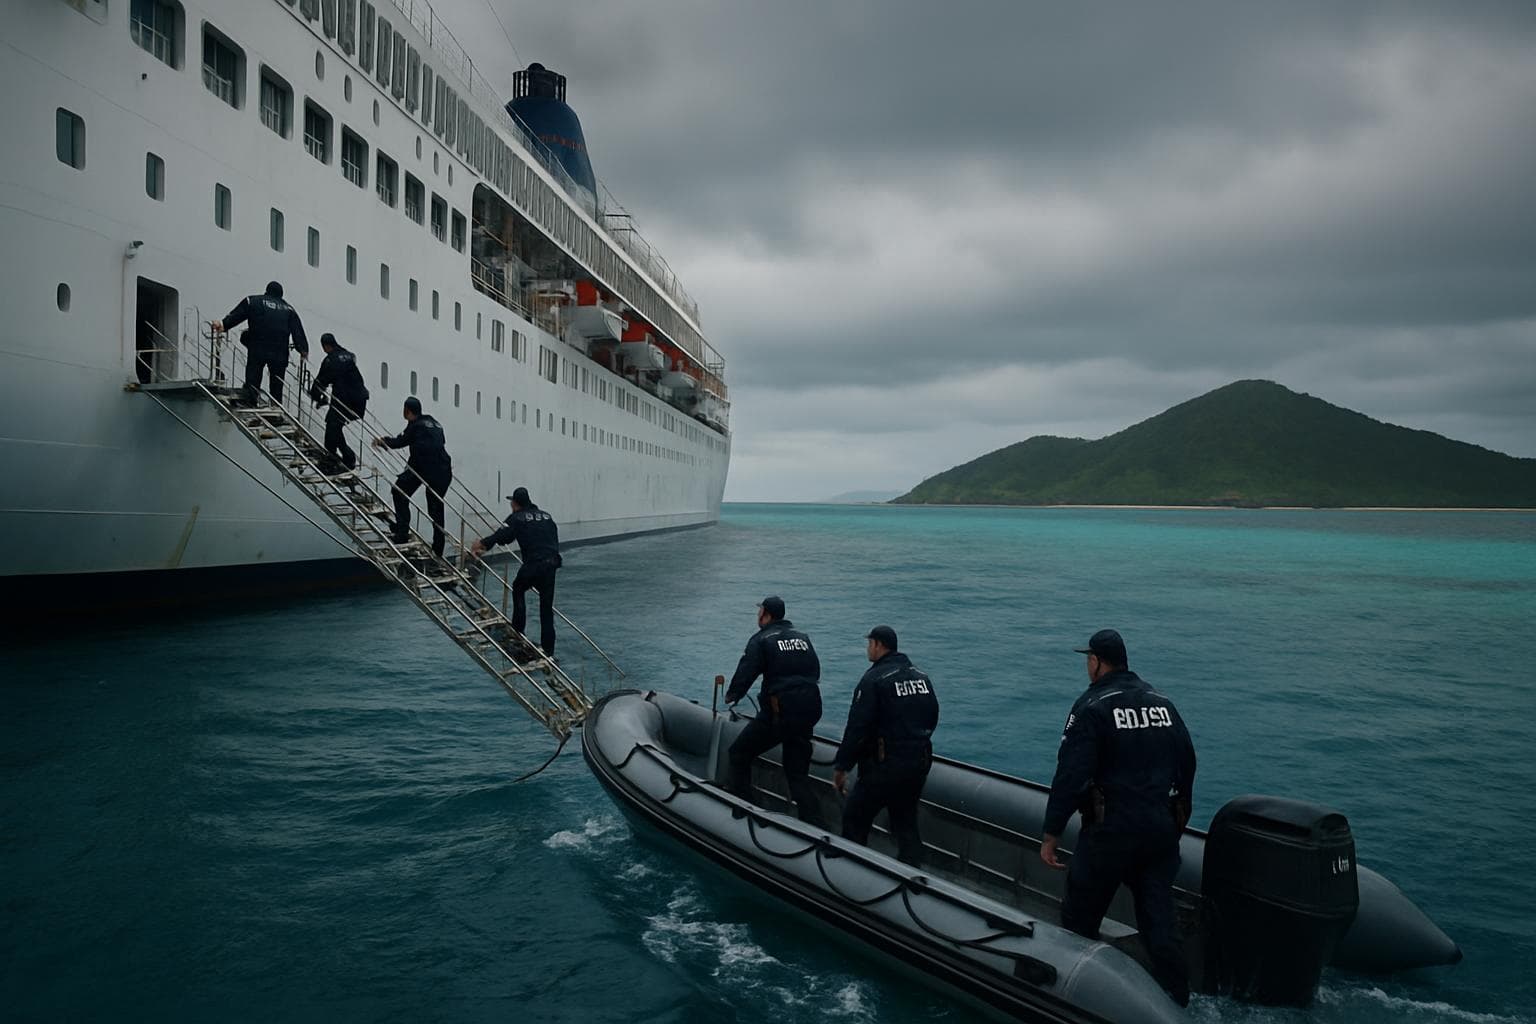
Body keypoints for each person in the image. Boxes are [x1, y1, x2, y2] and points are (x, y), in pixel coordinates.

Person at [1039, 629, 1197, 1007]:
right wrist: (1179, 814)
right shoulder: (1162, 703)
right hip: (1159, 832)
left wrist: (1051, 833)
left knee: (1080, 919)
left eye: (1087, 659)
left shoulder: (1092, 706)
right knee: (1159, 925)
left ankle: (1077, 1001)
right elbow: (1188, 762)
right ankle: (1179, 1000)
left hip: (1111, 833)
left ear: (1097, 662)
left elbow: (1071, 775)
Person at [832, 625, 939, 866]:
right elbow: (932, 716)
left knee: (855, 817)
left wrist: (842, 767)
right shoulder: (921, 677)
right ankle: (912, 872)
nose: (868, 648)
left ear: (879, 645)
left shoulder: (874, 680)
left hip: (885, 767)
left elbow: (857, 728)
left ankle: (851, 870)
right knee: (905, 821)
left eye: (869, 643)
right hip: (918, 763)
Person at [723, 596, 825, 827]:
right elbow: (814, 672)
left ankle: (744, 810)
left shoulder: (761, 639)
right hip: (809, 709)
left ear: (766, 615)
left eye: (759, 611)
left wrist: (733, 695)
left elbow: (747, 670)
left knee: (739, 754)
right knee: (797, 774)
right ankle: (816, 825)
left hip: (781, 713)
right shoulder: (803, 638)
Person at [470, 487, 563, 657]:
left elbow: (502, 536)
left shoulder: (517, 517)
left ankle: (518, 631)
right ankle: (549, 651)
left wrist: (482, 544)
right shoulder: (547, 517)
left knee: (518, 588)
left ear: (515, 503)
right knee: (546, 609)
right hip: (551, 564)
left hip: (534, 564)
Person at [371, 397, 451, 556]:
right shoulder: (432, 422)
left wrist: (381, 441)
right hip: (443, 469)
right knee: (436, 509)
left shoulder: (416, 426)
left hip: (424, 467)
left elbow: (399, 442)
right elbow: (438, 441)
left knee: (399, 492)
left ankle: (402, 533)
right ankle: (438, 550)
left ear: (407, 410)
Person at [212, 281, 308, 405]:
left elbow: (239, 314)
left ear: (267, 291)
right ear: (281, 294)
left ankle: (251, 400)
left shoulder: (253, 301)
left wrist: (223, 324)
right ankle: (276, 406)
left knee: (254, 375)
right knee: (277, 382)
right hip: (279, 352)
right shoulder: (289, 309)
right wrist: (303, 350)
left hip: (258, 346)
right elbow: (298, 332)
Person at [307, 333, 370, 473]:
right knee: (334, 425)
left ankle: (334, 459)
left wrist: (317, 397)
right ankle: (342, 458)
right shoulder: (348, 355)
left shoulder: (330, 360)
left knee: (332, 425)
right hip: (359, 400)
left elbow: (320, 381)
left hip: (345, 400)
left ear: (326, 346)